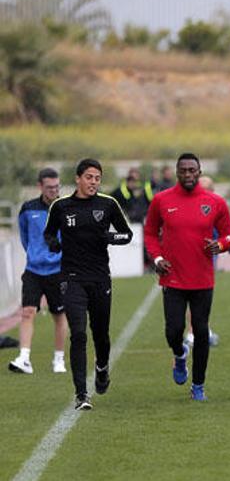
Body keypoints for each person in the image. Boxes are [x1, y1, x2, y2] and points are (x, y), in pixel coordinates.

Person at [144, 153, 230, 402]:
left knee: (202, 331)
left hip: (203, 279)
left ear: (199, 172)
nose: (187, 174)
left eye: (192, 170)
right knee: (173, 331)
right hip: (172, 277)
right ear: (177, 172)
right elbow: (150, 233)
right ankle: (180, 353)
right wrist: (157, 258)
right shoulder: (162, 200)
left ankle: (198, 385)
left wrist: (220, 244)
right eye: (183, 170)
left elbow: (229, 234)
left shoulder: (214, 201)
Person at [43, 159, 133, 411]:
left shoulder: (108, 204)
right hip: (71, 279)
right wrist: (53, 243)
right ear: (78, 178)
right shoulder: (61, 206)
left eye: (97, 178)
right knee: (79, 334)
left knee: (101, 335)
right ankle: (81, 394)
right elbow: (49, 233)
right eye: (90, 177)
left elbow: (127, 234)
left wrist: (110, 237)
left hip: (100, 278)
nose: (94, 182)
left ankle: (102, 368)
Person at [9, 168, 68, 375]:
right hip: (33, 270)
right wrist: (36, 254)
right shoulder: (27, 209)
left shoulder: (66, 208)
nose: (54, 191)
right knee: (27, 312)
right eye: (49, 187)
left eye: (56, 187)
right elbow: (26, 238)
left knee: (59, 315)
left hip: (58, 271)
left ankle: (58, 359)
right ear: (40, 186)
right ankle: (24, 358)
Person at [182, 175, 230, 348]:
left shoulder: (214, 210)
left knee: (202, 300)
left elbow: (221, 235)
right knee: (193, 299)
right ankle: (193, 333)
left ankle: (202, 330)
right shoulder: (188, 209)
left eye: (208, 189)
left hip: (208, 264)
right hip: (191, 261)